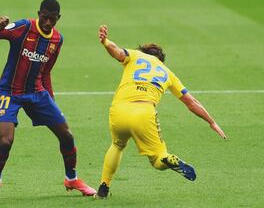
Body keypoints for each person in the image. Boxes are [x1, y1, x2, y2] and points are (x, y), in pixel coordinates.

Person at [94, 25, 227, 199]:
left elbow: (117, 52)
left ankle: (104, 187)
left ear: (144, 52)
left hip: (119, 109)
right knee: (157, 160)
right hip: (144, 112)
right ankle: (167, 158)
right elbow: (191, 102)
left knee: (117, 145)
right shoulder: (167, 72)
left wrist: (105, 41)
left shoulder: (136, 55)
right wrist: (211, 121)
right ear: (161, 60)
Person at [0, 0, 96, 196]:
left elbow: (46, 73)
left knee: (66, 135)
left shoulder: (57, 40)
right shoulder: (23, 27)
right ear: (39, 14)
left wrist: (50, 100)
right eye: (45, 18)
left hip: (37, 93)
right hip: (10, 93)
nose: (48, 23)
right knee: (5, 141)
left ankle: (72, 179)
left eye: (52, 19)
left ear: (58, 18)